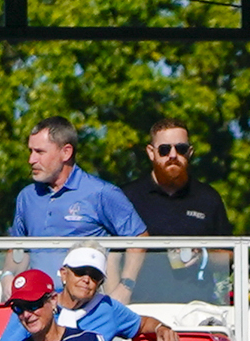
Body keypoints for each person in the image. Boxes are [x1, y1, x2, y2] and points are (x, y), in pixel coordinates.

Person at [119, 115, 236, 307]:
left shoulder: (208, 198)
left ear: (190, 152)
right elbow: (112, 256)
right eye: (164, 149)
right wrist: (116, 305)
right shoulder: (127, 197)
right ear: (151, 152)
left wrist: (202, 256)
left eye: (180, 149)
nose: (173, 155)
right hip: (139, 311)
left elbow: (230, 257)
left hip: (196, 310)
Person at [10, 117, 148, 275]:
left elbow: (139, 238)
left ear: (66, 152)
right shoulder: (27, 196)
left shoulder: (101, 192)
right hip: (40, 298)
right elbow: (17, 250)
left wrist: (125, 288)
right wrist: (8, 276)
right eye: (31, 151)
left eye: (40, 152)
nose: (31, 160)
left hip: (87, 298)